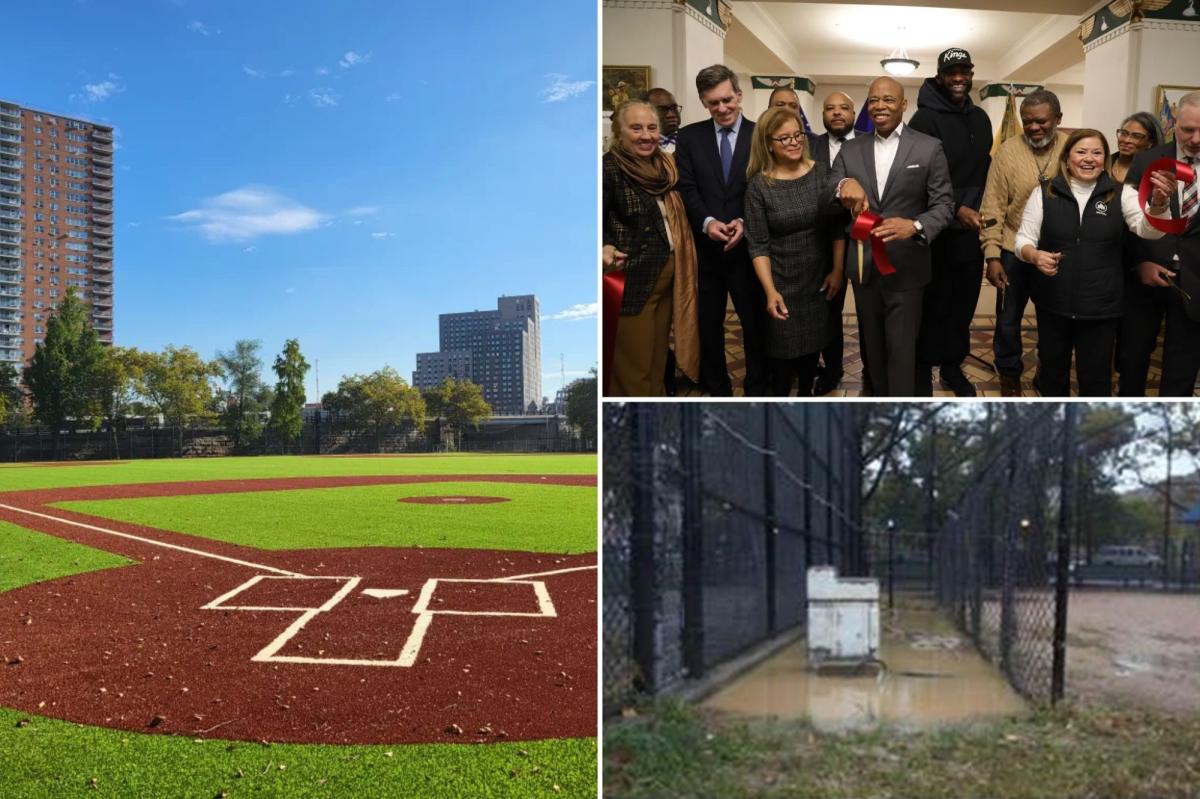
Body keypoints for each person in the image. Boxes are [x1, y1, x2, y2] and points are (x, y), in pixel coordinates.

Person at [1014, 129, 1174, 396]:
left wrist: (1158, 204)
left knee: (1096, 379)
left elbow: (1150, 230)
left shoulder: (1121, 194)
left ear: (1105, 160)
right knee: (1053, 375)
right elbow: (1023, 241)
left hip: (1102, 307)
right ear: (1067, 158)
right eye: (1081, 151)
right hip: (1054, 303)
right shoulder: (1044, 193)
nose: (1089, 159)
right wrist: (1035, 255)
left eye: (1097, 152)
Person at [832, 76, 954, 396]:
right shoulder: (850, 149)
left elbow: (944, 205)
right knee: (871, 348)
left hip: (907, 267)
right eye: (874, 100)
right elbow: (825, 191)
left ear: (903, 105)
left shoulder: (928, 147)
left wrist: (913, 226)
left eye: (888, 100)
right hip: (863, 266)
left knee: (902, 351)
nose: (880, 106)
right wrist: (843, 185)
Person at [674, 64, 769, 396]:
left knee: (755, 325)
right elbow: (686, 188)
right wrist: (708, 222)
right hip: (706, 252)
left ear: (739, 95)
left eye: (728, 99)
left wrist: (744, 221)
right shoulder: (688, 138)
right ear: (703, 102)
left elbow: (766, 187)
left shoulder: (761, 135)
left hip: (750, 251)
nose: (722, 108)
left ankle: (758, 388)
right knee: (708, 327)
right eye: (713, 103)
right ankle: (718, 390)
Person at [908, 48, 993, 397]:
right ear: (940, 76)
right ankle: (922, 369)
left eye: (964, 71)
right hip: (936, 232)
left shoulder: (981, 118)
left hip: (970, 233)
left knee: (963, 303)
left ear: (972, 73)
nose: (959, 78)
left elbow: (984, 169)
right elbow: (917, 179)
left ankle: (952, 365)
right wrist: (956, 208)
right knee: (933, 304)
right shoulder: (923, 120)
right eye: (951, 72)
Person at [744, 107, 844, 396]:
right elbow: (758, 244)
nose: (793, 142)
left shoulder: (823, 174)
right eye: (784, 138)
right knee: (781, 367)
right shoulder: (759, 186)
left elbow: (837, 229)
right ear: (768, 144)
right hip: (780, 283)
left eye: (797, 134)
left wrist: (837, 270)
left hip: (818, 281)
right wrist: (770, 291)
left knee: (811, 359)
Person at [602, 100, 700, 396]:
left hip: (669, 275)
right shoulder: (608, 169)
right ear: (619, 133)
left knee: (658, 360)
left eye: (651, 128)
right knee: (634, 367)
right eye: (636, 128)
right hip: (632, 281)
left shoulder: (666, 165)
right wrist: (602, 245)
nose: (646, 135)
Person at [978, 90, 1068, 396]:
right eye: (1027, 122)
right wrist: (992, 256)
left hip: (1058, 253)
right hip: (1012, 249)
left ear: (1058, 119)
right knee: (1007, 320)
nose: (1033, 128)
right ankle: (1009, 375)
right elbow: (992, 206)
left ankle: (1049, 371)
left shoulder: (1073, 148)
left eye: (1041, 121)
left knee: (1054, 320)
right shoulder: (1006, 152)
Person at [1123, 91, 1200, 395]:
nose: (1195, 138)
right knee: (1133, 358)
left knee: (1183, 364)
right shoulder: (1147, 160)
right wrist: (1137, 263)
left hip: (1196, 282)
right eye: (1188, 130)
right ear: (1173, 126)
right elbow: (1126, 222)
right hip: (1146, 278)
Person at [1110, 112, 1165, 395]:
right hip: (1105, 261)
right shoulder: (1101, 164)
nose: (1126, 140)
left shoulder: (1157, 174)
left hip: (1140, 262)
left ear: (1151, 142)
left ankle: (1129, 393)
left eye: (1136, 136)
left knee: (1135, 342)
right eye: (1123, 132)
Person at [809, 91, 858, 395]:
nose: (836, 113)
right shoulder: (809, 145)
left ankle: (874, 365)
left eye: (843, 108)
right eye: (829, 108)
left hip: (864, 239)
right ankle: (828, 367)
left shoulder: (868, 143)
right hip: (821, 239)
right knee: (825, 306)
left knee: (868, 309)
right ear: (823, 114)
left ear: (854, 113)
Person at [647, 87, 681, 153]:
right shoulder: (641, 145)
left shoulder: (693, 140)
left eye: (674, 108)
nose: (671, 115)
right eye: (662, 110)